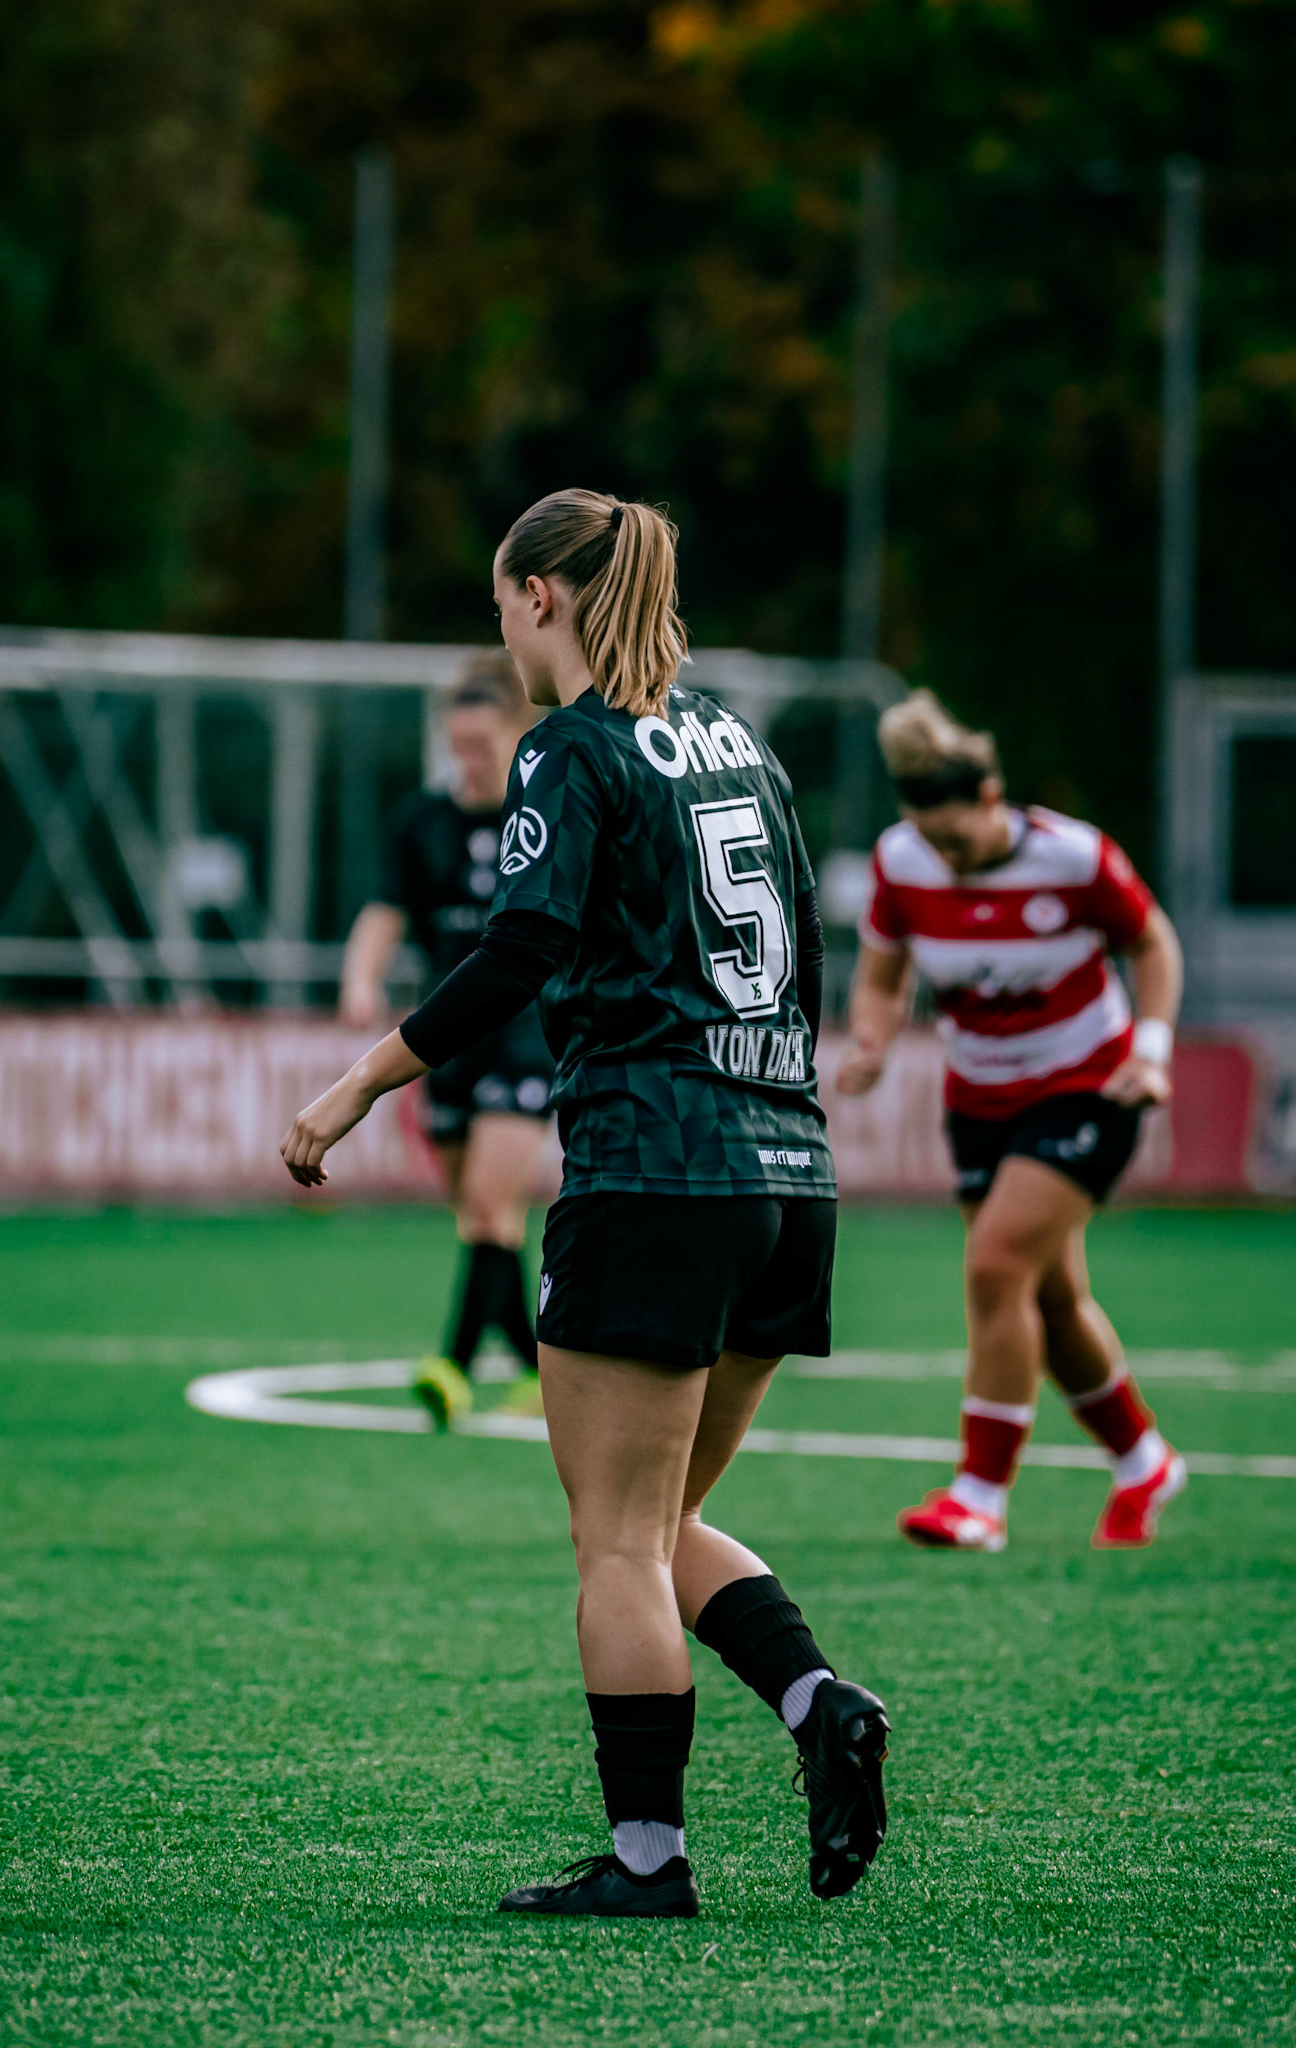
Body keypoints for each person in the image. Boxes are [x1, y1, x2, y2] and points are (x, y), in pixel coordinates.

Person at [283, 488, 889, 1919]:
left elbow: (522, 949)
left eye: (503, 600)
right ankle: (816, 1705)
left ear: (541, 598)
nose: (500, 624)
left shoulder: (569, 747)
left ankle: (646, 1863)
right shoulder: (741, 739)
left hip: (653, 1167)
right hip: (786, 1172)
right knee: (660, 1514)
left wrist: (357, 1083)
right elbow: (800, 948)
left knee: (614, 1537)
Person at [838, 688, 1186, 1552]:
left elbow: (1152, 944)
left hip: (1089, 1086)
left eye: (956, 839)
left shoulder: (1073, 858)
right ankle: (1143, 1459)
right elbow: (883, 973)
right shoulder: (900, 860)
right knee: (1050, 1295)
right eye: (929, 841)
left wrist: (1149, 1050)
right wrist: (872, 1041)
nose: (943, 858)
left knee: (995, 1267)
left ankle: (978, 1495)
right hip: (977, 1098)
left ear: (993, 801)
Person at [339, 652, 555, 1427]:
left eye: (482, 746)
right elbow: (387, 909)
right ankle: (540, 1368)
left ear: (514, 735)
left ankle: (453, 1366)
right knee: (480, 1219)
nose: (467, 761)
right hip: (444, 1041)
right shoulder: (423, 820)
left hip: (526, 1036)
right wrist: (360, 978)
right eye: (456, 746)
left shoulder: (542, 814)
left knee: (492, 1211)